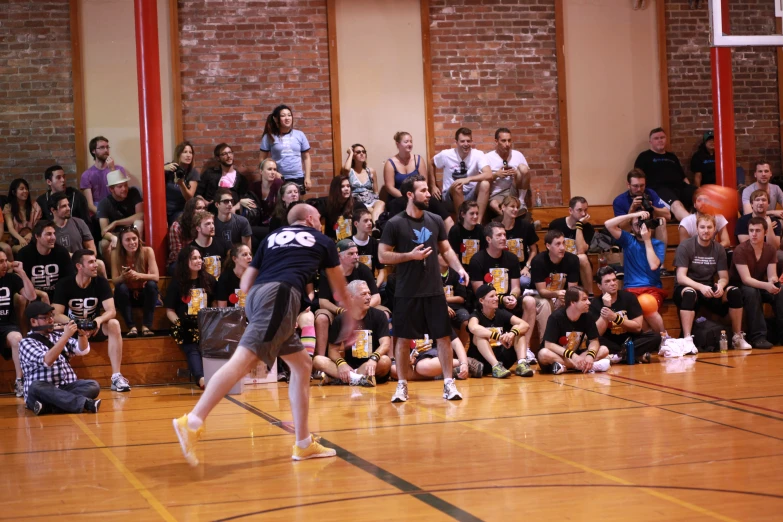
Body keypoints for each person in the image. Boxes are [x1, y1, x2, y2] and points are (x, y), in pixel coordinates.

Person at [173, 203, 357, 464]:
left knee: (302, 365)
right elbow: (339, 286)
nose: (320, 223)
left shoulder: (272, 238)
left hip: (258, 295)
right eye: (318, 219)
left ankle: (303, 443)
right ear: (309, 219)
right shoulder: (321, 239)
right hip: (281, 296)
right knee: (243, 361)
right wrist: (350, 319)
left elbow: (246, 282)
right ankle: (192, 420)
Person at [379, 174, 470, 403]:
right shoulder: (395, 223)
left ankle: (449, 384)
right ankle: (402, 385)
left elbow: (446, 250)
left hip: (434, 290)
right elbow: (382, 255)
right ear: (410, 194)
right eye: (423, 191)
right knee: (401, 339)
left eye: (428, 190)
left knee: (443, 338)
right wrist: (410, 256)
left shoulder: (435, 219)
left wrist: (459, 269)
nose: (428, 194)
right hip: (407, 291)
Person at [52, 249, 130, 392]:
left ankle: (116, 377)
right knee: (54, 328)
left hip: (94, 328)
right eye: (91, 262)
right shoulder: (64, 284)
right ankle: (58, 380)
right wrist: (77, 324)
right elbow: (56, 314)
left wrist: (98, 321)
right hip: (73, 329)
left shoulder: (100, 282)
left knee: (114, 323)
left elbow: (111, 310)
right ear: (79, 266)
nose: (96, 265)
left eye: (95, 261)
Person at [673, 214, 751, 352]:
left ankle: (737, 337)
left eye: (709, 227)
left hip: (708, 287)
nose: (706, 230)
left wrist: (720, 285)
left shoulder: (719, 249)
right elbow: (681, 277)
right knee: (690, 294)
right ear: (697, 229)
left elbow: (724, 277)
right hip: (687, 287)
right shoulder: (686, 246)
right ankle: (687, 340)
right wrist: (700, 287)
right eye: (702, 227)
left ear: (715, 229)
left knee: (734, 292)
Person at [19, 301, 100, 415]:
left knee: (93, 385)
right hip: (42, 391)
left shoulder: (57, 336)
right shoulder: (26, 342)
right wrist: (66, 336)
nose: (51, 320)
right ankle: (85, 404)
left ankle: (49, 407)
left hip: (64, 388)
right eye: (46, 318)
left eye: (51, 316)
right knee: (36, 386)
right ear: (33, 321)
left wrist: (82, 334)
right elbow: (47, 361)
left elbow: (82, 350)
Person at [313, 279, 391, 386]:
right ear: (351, 297)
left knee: (385, 361)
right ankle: (359, 378)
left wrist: (373, 359)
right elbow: (333, 350)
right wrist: (342, 364)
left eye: (369, 293)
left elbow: (385, 343)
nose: (369, 297)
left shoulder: (379, 315)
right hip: (349, 366)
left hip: (372, 364)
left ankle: (346, 378)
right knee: (318, 360)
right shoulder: (340, 319)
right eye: (363, 294)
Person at [314, 239, 381, 357]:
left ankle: (383, 357)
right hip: (336, 310)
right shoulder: (328, 272)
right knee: (321, 317)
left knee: (384, 312)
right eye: (351, 254)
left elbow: (376, 297)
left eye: (356, 253)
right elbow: (322, 301)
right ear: (339, 256)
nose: (356, 256)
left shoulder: (363, 269)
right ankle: (321, 358)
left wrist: (363, 308)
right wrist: (340, 311)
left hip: (361, 310)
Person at [604, 211, 668, 334]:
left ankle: (664, 337)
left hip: (652, 289)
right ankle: (651, 337)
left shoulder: (657, 244)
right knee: (632, 310)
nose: (640, 226)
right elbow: (608, 224)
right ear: (632, 228)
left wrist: (647, 240)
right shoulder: (629, 240)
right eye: (636, 224)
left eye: (642, 223)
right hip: (630, 289)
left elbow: (654, 265)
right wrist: (632, 215)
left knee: (645, 303)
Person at [166, 245, 216, 390]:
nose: (199, 260)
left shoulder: (209, 280)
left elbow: (214, 305)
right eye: (194, 258)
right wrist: (179, 324)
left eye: (200, 257)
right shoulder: (177, 283)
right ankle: (201, 379)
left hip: (206, 324)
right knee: (191, 345)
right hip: (184, 324)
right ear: (185, 261)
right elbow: (169, 310)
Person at [590, 266, 661, 363]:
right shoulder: (595, 304)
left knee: (656, 337)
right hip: (609, 342)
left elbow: (637, 327)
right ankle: (631, 355)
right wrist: (607, 308)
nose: (613, 283)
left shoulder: (629, 297)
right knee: (592, 342)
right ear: (599, 286)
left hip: (630, 341)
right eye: (607, 282)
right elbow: (597, 333)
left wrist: (616, 318)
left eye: (614, 280)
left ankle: (619, 356)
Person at [383, 131, 452, 227]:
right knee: (398, 205)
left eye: (411, 141)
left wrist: (417, 195)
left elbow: (425, 182)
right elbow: (389, 187)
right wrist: (407, 197)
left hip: (419, 195)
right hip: (398, 197)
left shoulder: (418, 159)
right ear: (398, 144)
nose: (409, 144)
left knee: (435, 203)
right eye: (406, 142)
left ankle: (447, 232)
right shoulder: (390, 163)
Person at [537, 286, 611, 375]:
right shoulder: (555, 317)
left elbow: (594, 341)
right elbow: (548, 345)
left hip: (577, 356)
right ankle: (585, 366)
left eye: (588, 299)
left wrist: (590, 356)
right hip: (560, 356)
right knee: (543, 354)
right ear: (572, 302)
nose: (588, 302)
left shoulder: (588, 316)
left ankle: (567, 367)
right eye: (584, 299)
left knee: (604, 349)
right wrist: (573, 356)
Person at [729, 217, 778, 348]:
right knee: (751, 291)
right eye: (751, 230)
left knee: (781, 291)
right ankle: (758, 337)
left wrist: (773, 282)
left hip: (759, 283)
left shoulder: (770, 249)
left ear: (765, 232)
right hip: (739, 285)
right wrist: (767, 285)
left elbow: (772, 275)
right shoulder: (740, 250)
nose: (754, 234)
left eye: (757, 230)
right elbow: (746, 279)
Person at [527, 230, 580, 348]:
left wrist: (564, 299)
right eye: (557, 244)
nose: (562, 247)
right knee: (546, 304)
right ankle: (545, 344)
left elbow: (573, 289)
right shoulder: (538, 261)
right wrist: (556, 294)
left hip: (562, 295)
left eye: (563, 243)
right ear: (548, 246)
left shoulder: (572, 260)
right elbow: (541, 291)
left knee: (575, 303)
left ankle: (573, 347)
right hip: (538, 295)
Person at [467, 284, 533, 378]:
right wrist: (498, 336)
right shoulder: (475, 314)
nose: (496, 298)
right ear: (481, 301)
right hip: (483, 361)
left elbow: (525, 325)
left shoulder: (500, 312)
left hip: (503, 360)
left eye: (496, 295)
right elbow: (473, 327)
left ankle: (522, 363)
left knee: (518, 329)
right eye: (492, 296)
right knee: (479, 336)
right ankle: (496, 366)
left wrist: (512, 334)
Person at [430, 127, 492, 221]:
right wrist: (433, 186)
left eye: (468, 141)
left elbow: (489, 174)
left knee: (485, 184)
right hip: (450, 196)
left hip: (471, 193)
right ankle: (463, 223)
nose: (466, 144)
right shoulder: (446, 154)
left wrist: (468, 179)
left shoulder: (478, 154)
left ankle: (478, 222)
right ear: (456, 142)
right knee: (458, 186)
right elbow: (431, 163)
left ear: (472, 141)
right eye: (462, 141)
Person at [634, 127, 695, 222]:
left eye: (662, 137)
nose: (660, 140)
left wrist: (691, 188)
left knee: (701, 195)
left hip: (680, 187)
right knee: (676, 204)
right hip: (659, 189)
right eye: (656, 138)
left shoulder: (672, 157)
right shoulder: (644, 157)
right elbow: (637, 177)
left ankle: (707, 223)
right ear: (650, 141)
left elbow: (683, 177)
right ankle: (693, 225)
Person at [111, 227, 159, 338]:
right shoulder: (115, 254)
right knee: (120, 287)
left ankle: (146, 326)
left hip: (143, 294)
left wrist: (139, 276)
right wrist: (123, 277)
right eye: (127, 240)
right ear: (121, 242)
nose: (132, 242)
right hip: (126, 296)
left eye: (134, 239)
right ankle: (131, 327)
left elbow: (156, 277)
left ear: (139, 239)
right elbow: (114, 281)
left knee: (152, 285)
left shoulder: (147, 251)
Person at [0, 253, 37, 398]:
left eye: (5, 261)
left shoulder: (11, 279)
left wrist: (22, 273)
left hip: (7, 325)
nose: (4, 264)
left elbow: (31, 296)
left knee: (17, 338)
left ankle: (20, 381)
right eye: (0, 262)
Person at [469, 222, 523, 315]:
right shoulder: (477, 260)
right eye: (499, 235)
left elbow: (516, 287)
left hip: (508, 300)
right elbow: (480, 292)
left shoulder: (512, 258)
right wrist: (502, 299)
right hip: (488, 303)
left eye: (504, 235)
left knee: (530, 301)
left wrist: (512, 297)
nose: (503, 238)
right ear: (488, 239)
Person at [17, 220, 74, 303]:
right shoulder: (24, 254)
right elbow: (20, 283)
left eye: (54, 233)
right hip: (33, 297)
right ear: (37, 236)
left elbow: (68, 279)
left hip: (57, 297)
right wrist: (42, 294)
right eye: (48, 234)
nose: (53, 237)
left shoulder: (62, 252)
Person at [548, 197, 595, 294]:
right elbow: (550, 248)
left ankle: (590, 295)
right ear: (570, 210)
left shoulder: (588, 228)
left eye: (585, 210)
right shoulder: (556, 224)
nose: (583, 214)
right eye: (579, 210)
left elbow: (581, 250)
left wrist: (579, 226)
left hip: (577, 263)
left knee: (582, 257)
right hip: (559, 260)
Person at [260, 104, 311, 193]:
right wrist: (274, 173)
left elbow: (306, 158)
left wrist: (307, 177)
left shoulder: (300, 135)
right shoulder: (269, 137)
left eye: (289, 115)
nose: (287, 118)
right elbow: (262, 159)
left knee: (297, 206)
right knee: (279, 205)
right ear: (276, 119)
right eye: (283, 116)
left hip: (298, 178)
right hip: (279, 178)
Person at [613, 169, 670, 245]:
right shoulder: (619, 201)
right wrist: (632, 209)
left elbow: (668, 216)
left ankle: (660, 255)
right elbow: (624, 229)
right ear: (628, 185)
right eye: (635, 186)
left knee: (662, 221)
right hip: (631, 233)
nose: (639, 189)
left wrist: (652, 208)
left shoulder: (650, 193)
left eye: (642, 185)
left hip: (649, 229)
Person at [484, 127, 532, 217]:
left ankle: (521, 201)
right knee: (493, 205)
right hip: (498, 194)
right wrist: (496, 175)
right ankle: (512, 219)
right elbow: (482, 179)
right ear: (496, 141)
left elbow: (527, 175)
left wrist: (517, 174)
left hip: (514, 190)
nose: (507, 144)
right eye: (504, 141)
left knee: (523, 168)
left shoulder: (517, 154)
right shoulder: (488, 157)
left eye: (509, 141)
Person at [97, 170, 144, 261]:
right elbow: (104, 231)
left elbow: (141, 215)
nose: (124, 189)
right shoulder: (104, 203)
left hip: (133, 231)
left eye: (125, 185)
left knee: (139, 223)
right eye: (120, 186)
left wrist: (116, 222)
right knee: (104, 244)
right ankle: (113, 272)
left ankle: (137, 262)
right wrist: (113, 237)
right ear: (111, 189)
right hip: (116, 234)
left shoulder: (133, 192)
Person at [496, 196, 538, 284]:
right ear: (503, 207)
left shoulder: (526, 226)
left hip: (522, 268)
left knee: (524, 282)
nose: (515, 209)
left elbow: (534, 250)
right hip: (502, 269)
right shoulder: (495, 228)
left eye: (517, 207)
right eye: (512, 206)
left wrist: (527, 267)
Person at [80, 135, 129, 211]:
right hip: (98, 212)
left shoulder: (119, 169)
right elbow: (90, 205)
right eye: (102, 147)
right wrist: (103, 215)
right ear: (93, 151)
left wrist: (112, 169)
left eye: (107, 147)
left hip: (117, 209)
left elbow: (120, 194)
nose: (106, 150)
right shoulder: (87, 175)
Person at [196, 143, 249, 208]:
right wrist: (206, 203)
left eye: (230, 152)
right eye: (224, 154)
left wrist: (234, 208)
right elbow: (198, 194)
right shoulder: (209, 173)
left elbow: (243, 200)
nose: (228, 156)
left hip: (232, 212)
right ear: (218, 158)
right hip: (212, 211)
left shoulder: (241, 179)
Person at [343, 144, 385, 223]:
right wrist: (350, 153)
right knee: (371, 211)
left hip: (370, 198)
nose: (362, 153)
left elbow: (376, 191)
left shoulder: (370, 171)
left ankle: (375, 227)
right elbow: (346, 168)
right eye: (358, 152)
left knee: (381, 203)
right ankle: (376, 227)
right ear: (354, 156)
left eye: (364, 151)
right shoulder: (350, 171)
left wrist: (376, 200)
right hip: (357, 200)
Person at [167, 196, 207, 276]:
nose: (202, 211)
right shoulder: (177, 226)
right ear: (191, 210)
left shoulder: (206, 224)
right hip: (181, 260)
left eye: (204, 208)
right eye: (199, 208)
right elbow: (177, 254)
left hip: (200, 258)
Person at [165, 141, 200, 225]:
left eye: (190, 152)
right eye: (185, 152)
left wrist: (181, 184)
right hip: (164, 209)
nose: (188, 155)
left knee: (179, 222)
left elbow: (189, 198)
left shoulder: (193, 172)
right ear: (178, 154)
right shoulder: (169, 168)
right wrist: (162, 168)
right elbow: (152, 179)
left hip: (181, 210)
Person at [4, 178, 42, 253]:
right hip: (16, 241)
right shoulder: (8, 208)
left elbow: (38, 225)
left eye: (26, 188)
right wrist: (21, 239)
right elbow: (11, 229)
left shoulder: (35, 206)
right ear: (14, 192)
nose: (25, 191)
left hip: (34, 238)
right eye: (21, 189)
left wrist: (31, 233)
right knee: (25, 250)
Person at [191, 210, 230, 279]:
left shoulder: (223, 244)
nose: (212, 226)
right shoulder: (191, 249)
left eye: (212, 223)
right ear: (198, 228)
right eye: (208, 224)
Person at [248, 158, 283, 236]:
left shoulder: (279, 184)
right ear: (261, 171)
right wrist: (240, 202)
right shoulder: (254, 186)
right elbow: (247, 199)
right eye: (269, 169)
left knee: (249, 230)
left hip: (275, 224)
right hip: (259, 223)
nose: (273, 172)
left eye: (275, 169)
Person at [352, 208, 386, 288]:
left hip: (370, 283)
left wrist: (376, 286)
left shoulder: (375, 243)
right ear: (356, 224)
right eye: (365, 221)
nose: (370, 223)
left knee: (386, 286)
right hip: (352, 283)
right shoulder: (348, 242)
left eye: (370, 220)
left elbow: (381, 271)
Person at [323, 175, 357, 242]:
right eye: (342, 186)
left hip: (352, 242)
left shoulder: (357, 205)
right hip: (332, 242)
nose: (346, 189)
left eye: (348, 186)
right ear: (335, 189)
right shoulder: (327, 205)